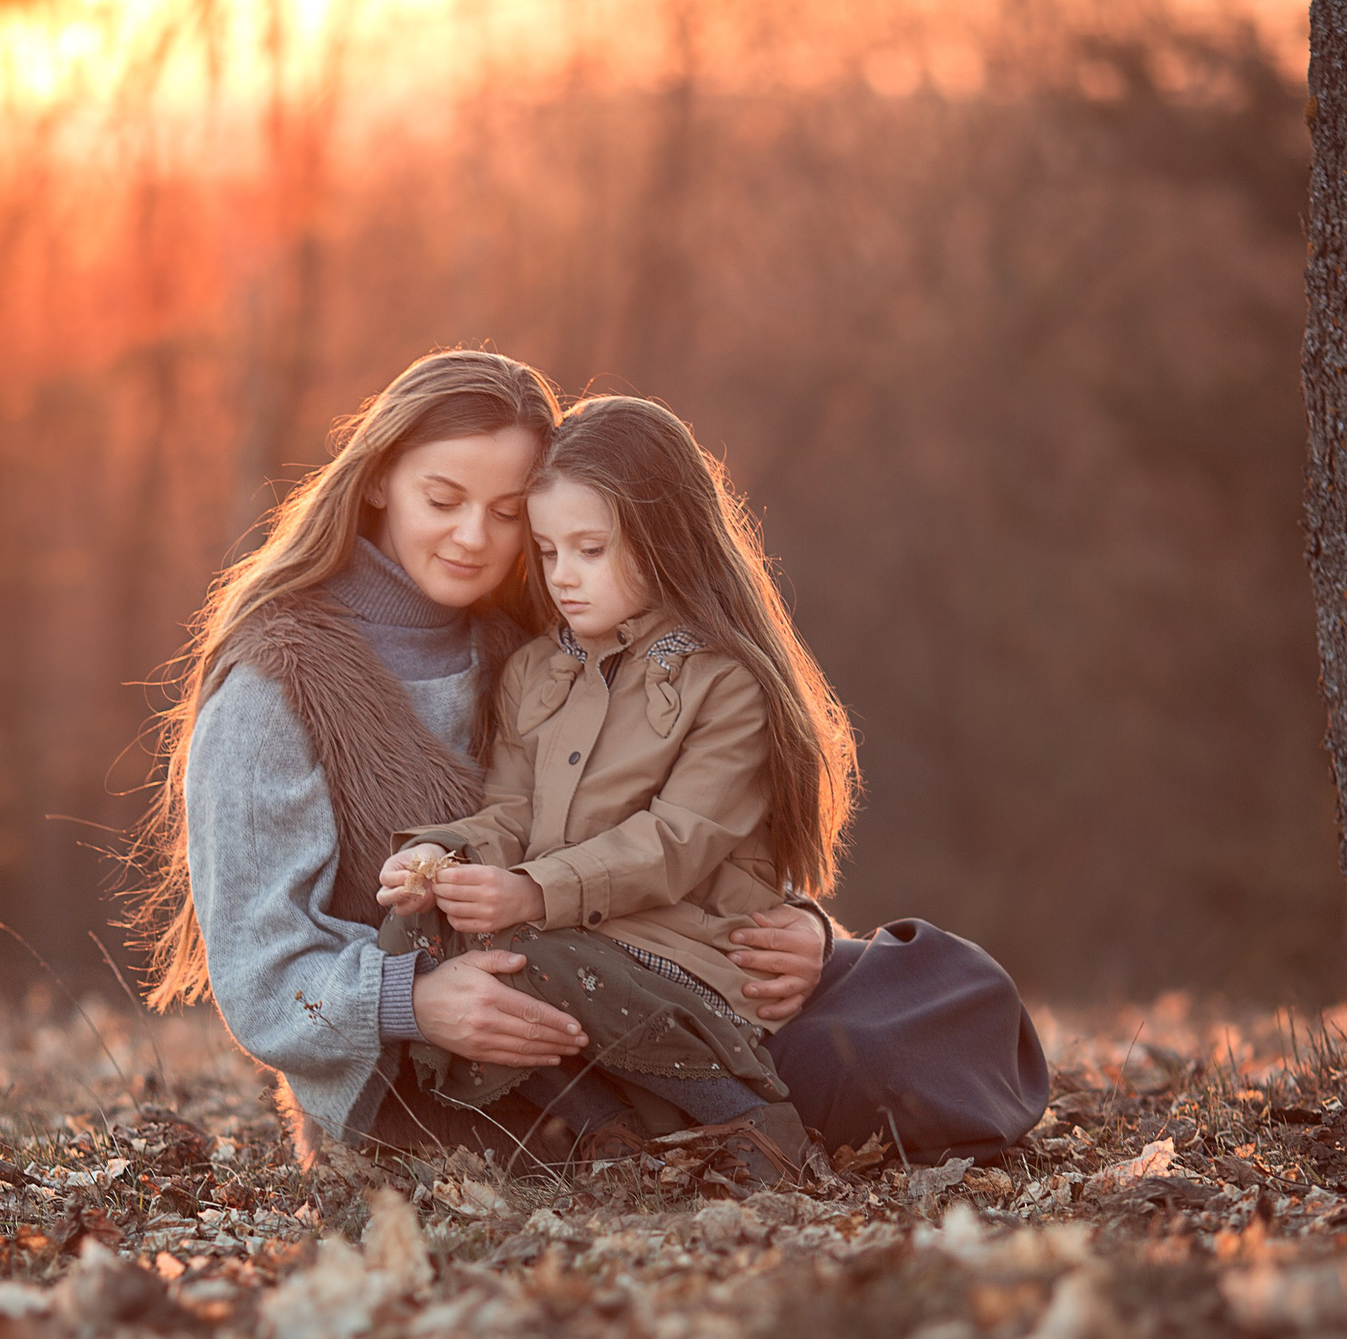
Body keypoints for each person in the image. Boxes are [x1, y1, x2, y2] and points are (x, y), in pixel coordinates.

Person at [131, 350, 833, 1164]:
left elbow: (679, 826)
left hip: (629, 1016)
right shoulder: (275, 682)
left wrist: (802, 930)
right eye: (443, 499)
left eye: (507, 514)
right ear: (377, 479)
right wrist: (415, 1002)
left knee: (902, 1022)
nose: (474, 537)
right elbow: (261, 976)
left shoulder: (542, 648)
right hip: (417, 1108)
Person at [373, 396, 855, 1184]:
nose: (563, 577)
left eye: (590, 549)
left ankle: (746, 1115)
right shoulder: (536, 672)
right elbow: (514, 812)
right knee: (413, 937)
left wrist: (529, 892)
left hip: (685, 959)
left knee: (519, 951)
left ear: (664, 539)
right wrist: (441, 858)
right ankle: (610, 1132)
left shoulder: (724, 685)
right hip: (575, 947)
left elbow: (672, 844)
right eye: (549, 550)